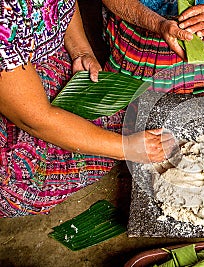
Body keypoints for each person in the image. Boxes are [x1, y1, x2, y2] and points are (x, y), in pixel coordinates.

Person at [0, 1, 176, 217]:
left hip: (44, 61)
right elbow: (34, 119)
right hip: (16, 92)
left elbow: (60, 5)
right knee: (23, 183)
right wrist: (127, 148)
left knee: (115, 124)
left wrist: (80, 51)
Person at [101, 0, 204, 95]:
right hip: (138, 39)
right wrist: (158, 24)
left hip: (203, 36)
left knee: (198, 118)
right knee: (134, 116)